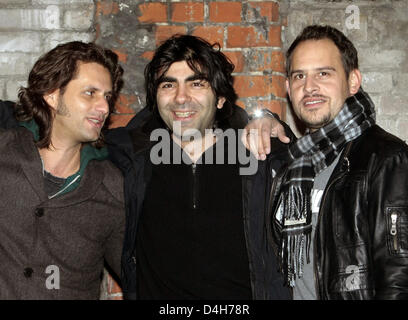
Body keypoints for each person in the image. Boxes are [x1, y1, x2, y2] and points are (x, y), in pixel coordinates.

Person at [106, 34, 293, 300]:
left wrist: (272, 122)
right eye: (168, 85)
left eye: (197, 84)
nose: (181, 98)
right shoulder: (131, 157)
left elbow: (307, 164)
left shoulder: (256, 158)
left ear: (219, 99)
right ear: (156, 100)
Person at [268, 25, 408, 299]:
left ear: (353, 81)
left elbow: (399, 280)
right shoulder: (290, 167)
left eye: (323, 73)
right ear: (288, 88)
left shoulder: (386, 158)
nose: (309, 87)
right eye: (299, 76)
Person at [0, 41, 126, 299]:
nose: (104, 107)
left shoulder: (112, 187)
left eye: (108, 97)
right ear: (52, 96)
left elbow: (139, 275)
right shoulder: (5, 153)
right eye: (90, 93)